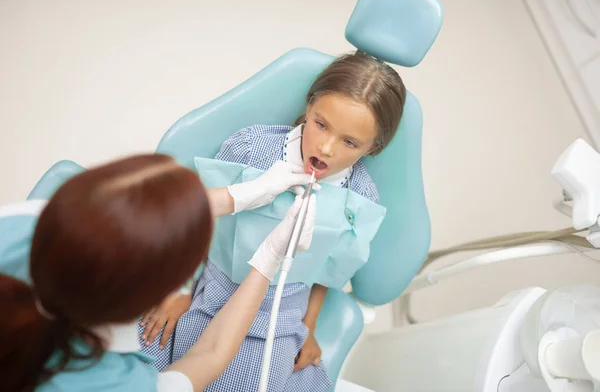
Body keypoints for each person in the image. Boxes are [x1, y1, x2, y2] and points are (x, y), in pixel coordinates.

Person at [139, 51, 407, 391]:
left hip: (278, 317)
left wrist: (308, 327)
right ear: (309, 108)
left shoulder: (359, 197)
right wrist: (179, 289)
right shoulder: (252, 150)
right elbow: (198, 223)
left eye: (349, 142)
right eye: (321, 124)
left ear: (372, 148)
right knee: (147, 349)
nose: (325, 147)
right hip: (209, 290)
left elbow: (331, 270)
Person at [0, 153, 317, 392]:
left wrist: (241, 195)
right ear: (163, 295)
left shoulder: (17, 226)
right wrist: (269, 258)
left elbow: (114, 216)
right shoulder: (121, 384)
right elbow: (210, 355)